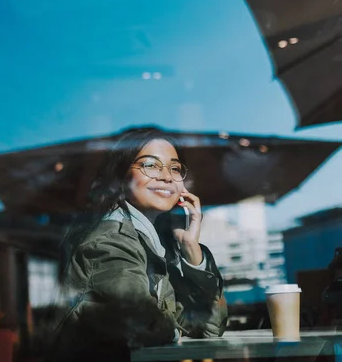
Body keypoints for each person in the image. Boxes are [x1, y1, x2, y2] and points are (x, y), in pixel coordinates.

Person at [48, 130, 228, 362]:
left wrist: (192, 250)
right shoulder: (111, 240)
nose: (166, 176)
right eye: (151, 165)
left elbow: (207, 329)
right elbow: (142, 322)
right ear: (121, 179)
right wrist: (173, 331)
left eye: (174, 168)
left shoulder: (151, 243)